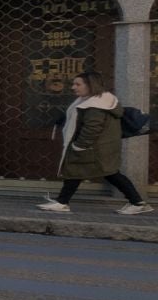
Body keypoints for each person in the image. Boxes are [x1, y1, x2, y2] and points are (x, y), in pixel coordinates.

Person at [37, 72, 152, 215]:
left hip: (94, 148)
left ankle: (138, 203)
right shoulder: (94, 101)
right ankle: (62, 202)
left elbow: (92, 128)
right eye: (74, 84)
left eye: (78, 84)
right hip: (99, 147)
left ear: (91, 85)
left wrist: (79, 145)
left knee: (101, 173)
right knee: (85, 173)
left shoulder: (96, 106)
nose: (73, 87)